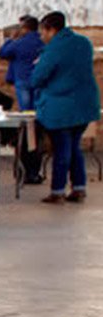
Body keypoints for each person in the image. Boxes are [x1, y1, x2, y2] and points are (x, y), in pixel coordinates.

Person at [33, 11, 101, 204]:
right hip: (85, 104)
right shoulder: (84, 43)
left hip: (60, 106)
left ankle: (58, 190)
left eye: (43, 32)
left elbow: (38, 77)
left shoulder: (54, 49)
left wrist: (37, 66)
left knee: (62, 149)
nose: (42, 37)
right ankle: (79, 188)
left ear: (51, 29)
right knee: (74, 147)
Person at [0, 16, 44, 111]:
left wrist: (10, 39)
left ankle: (27, 126)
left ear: (25, 28)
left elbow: (2, 53)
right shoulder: (43, 41)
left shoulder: (19, 43)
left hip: (22, 78)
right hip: (40, 78)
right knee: (38, 108)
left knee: (25, 110)